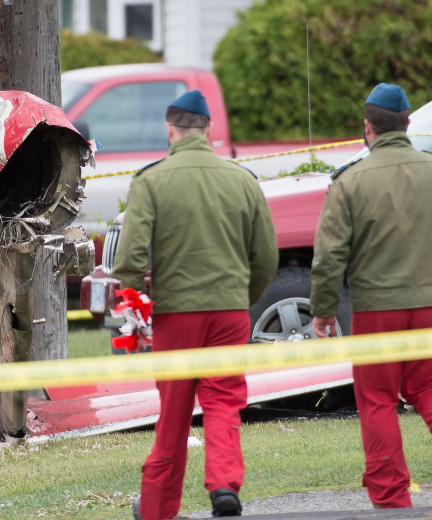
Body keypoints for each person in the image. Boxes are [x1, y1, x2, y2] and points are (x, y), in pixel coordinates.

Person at [309, 82, 432, 509]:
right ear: (408, 125)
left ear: (366, 129)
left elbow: (329, 254)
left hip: (376, 309)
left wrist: (322, 311)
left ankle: (392, 499)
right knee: (430, 382)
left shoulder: (349, 182)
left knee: (377, 400)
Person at [113, 89, 278, 520]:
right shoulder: (243, 179)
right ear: (208, 130)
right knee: (224, 402)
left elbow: (128, 260)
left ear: (170, 130)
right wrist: (244, 298)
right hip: (229, 311)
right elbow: (266, 257)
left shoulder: (151, 180)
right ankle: (224, 485)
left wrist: (136, 307)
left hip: (175, 315)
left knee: (174, 413)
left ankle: (155, 507)